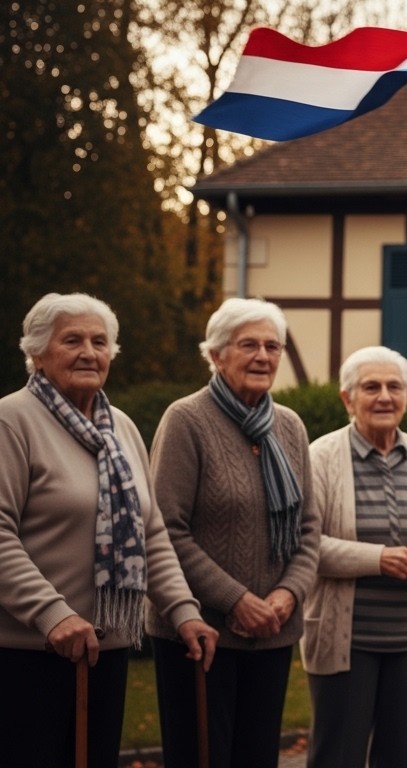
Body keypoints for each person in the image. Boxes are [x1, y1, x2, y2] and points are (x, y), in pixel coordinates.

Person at [0, 293, 218, 768]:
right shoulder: (11, 419)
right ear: (36, 353)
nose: (89, 352)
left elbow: (150, 531)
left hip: (107, 646)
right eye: (72, 340)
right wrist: (52, 614)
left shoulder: (118, 426)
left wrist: (184, 612)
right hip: (27, 654)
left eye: (100, 341)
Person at [145, 297, 320, 768]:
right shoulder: (186, 420)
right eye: (249, 345)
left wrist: (286, 596)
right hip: (199, 634)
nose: (263, 356)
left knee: (257, 758)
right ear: (216, 355)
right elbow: (165, 528)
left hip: (274, 633)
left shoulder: (289, 426)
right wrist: (237, 600)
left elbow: (309, 528)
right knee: (201, 756)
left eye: (272, 345)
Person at [301, 346, 407, 767]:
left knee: (401, 755)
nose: (384, 397)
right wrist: (379, 559)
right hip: (346, 641)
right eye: (370, 387)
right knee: (339, 755)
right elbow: (306, 545)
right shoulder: (320, 456)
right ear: (347, 398)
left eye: (395, 387)